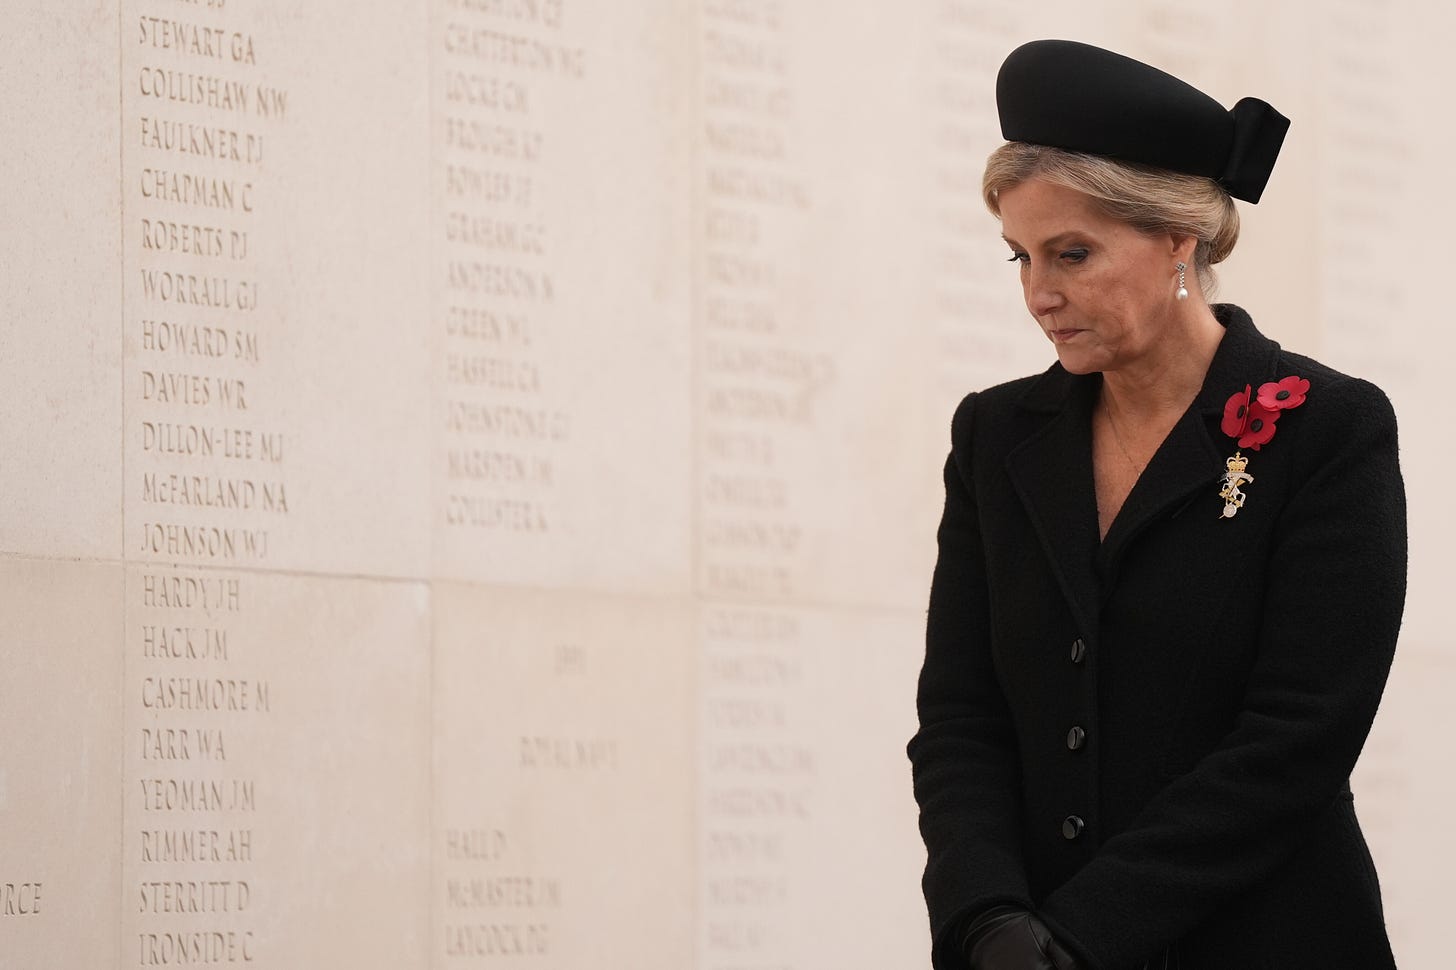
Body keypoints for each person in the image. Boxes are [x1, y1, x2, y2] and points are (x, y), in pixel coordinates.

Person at [907, 39, 1407, 970]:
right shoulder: (994, 436)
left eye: (1072, 253)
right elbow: (959, 716)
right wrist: (983, 918)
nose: (1039, 294)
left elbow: (1299, 740)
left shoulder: (1329, 429)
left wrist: (1081, 937)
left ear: (1178, 238)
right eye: (1020, 257)